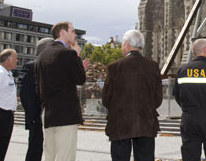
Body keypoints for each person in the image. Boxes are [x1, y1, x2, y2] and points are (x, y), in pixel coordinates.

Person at [102, 30, 162, 161]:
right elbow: (157, 98)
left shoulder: (115, 67)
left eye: (123, 44)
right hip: (145, 122)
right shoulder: (153, 66)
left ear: (127, 45)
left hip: (120, 123)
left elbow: (106, 98)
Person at [35, 21, 89, 161]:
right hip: (65, 114)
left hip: (48, 114)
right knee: (65, 156)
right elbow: (80, 79)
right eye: (72, 31)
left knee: (50, 156)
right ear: (63, 33)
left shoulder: (42, 55)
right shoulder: (68, 53)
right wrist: (77, 56)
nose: (75, 34)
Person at [19, 37, 53, 161]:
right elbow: (25, 93)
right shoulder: (30, 67)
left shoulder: (51, 68)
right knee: (35, 147)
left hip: (50, 116)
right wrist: (33, 116)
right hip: (37, 117)